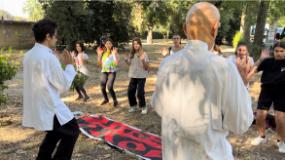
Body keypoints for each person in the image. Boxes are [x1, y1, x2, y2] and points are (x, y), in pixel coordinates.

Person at [151, 2, 253, 160]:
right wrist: (243, 82)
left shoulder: (168, 63)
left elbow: (158, 106)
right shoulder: (224, 68)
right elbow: (240, 123)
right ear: (214, 28)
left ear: (185, 29)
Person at [22, 19, 79, 160]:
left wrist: (56, 63)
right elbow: (63, 85)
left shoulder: (29, 55)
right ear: (48, 36)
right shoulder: (48, 57)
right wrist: (69, 65)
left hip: (37, 103)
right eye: (56, 35)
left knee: (54, 133)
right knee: (72, 131)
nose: (57, 38)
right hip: (50, 105)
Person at [248, 42, 285, 153]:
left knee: (280, 118)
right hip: (267, 90)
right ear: (273, 52)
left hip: (282, 92)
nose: (279, 53)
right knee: (260, 115)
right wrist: (260, 59)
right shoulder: (268, 61)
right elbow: (253, 70)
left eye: (282, 51)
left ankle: (281, 141)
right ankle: (261, 136)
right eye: (276, 51)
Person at [124, 37, 150, 114]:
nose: (136, 45)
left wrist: (142, 59)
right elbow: (130, 64)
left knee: (140, 93)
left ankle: (143, 106)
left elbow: (146, 68)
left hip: (141, 76)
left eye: (137, 44)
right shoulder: (131, 54)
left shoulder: (144, 54)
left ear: (140, 44)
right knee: (130, 92)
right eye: (134, 44)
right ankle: (134, 106)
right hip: (133, 76)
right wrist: (126, 60)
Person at [97, 38, 119, 107]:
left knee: (109, 87)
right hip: (104, 71)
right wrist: (99, 55)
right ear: (105, 45)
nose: (108, 45)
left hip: (112, 72)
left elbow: (116, 63)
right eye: (107, 43)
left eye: (110, 43)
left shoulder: (114, 52)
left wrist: (114, 55)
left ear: (112, 44)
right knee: (102, 86)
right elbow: (100, 64)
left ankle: (115, 100)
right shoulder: (103, 52)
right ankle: (106, 99)